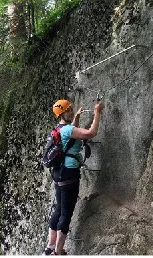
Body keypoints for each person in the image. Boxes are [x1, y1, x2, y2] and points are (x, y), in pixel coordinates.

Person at [43, 98, 104, 255]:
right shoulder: (68, 130)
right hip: (69, 174)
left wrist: (76, 118)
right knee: (66, 213)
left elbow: (70, 135)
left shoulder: (59, 129)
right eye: (69, 110)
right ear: (62, 114)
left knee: (58, 210)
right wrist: (97, 112)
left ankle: (50, 247)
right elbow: (91, 133)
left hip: (58, 173)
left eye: (71, 108)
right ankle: (58, 251)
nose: (72, 111)